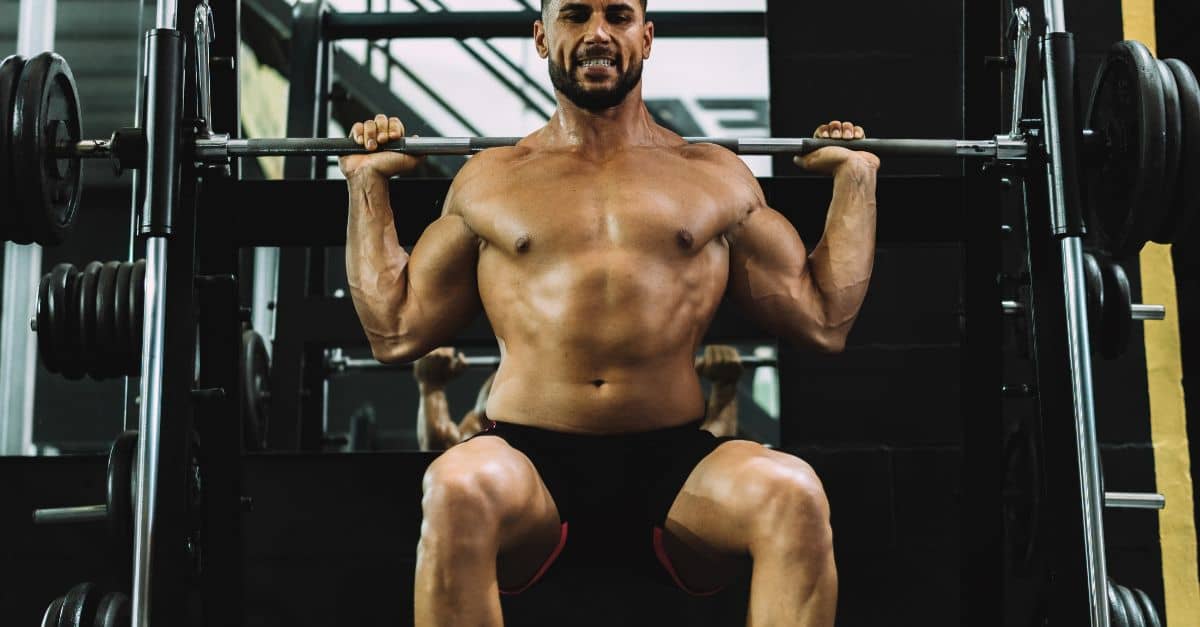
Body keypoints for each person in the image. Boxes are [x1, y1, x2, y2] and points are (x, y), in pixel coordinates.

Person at [339, 0, 878, 624]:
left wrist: (856, 180)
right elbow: (396, 330)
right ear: (542, 38)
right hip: (527, 462)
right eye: (574, 15)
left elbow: (824, 320)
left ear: (646, 38)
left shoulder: (714, 177)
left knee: (795, 494)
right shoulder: (489, 181)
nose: (598, 32)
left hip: (675, 468)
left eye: (617, 15)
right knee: (455, 488)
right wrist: (366, 185)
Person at [415, 344, 744, 450]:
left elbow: (702, 453)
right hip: (544, 505)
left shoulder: (646, 379)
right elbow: (444, 450)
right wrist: (431, 387)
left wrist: (726, 390)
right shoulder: (510, 382)